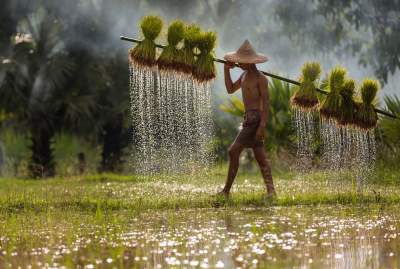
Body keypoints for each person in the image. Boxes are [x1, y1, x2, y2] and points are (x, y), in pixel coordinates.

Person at [218, 39, 276, 198]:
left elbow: (266, 103)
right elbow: (230, 89)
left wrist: (262, 126)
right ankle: (272, 192)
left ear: (249, 62)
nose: (238, 63)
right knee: (260, 156)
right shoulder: (244, 76)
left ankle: (226, 192)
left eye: (241, 61)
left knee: (233, 151)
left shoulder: (261, 79)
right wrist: (226, 70)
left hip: (255, 121)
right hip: (249, 119)